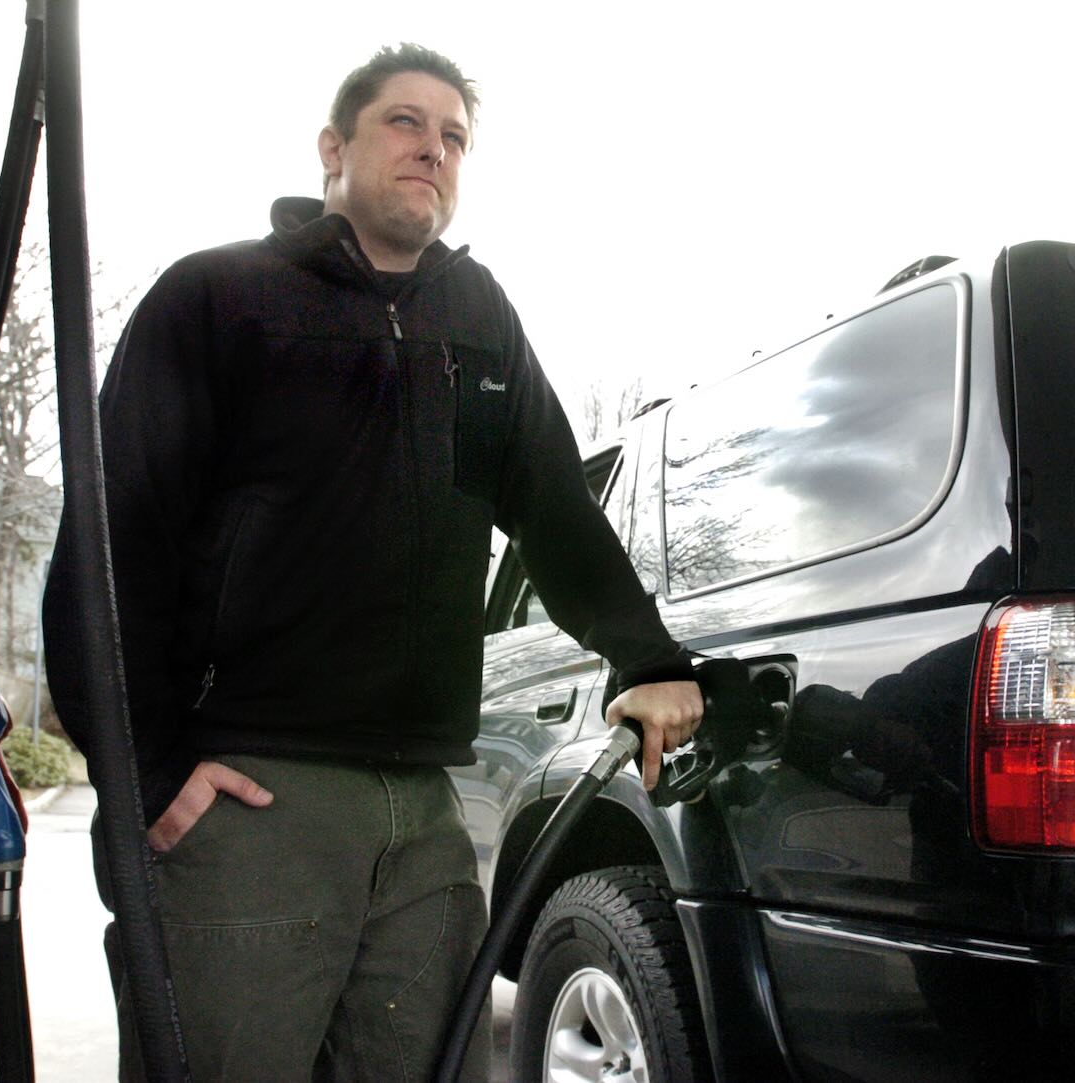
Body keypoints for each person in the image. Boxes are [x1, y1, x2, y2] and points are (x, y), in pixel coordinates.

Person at [42, 43, 702, 1082]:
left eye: (453, 139)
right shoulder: (220, 298)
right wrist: (148, 765)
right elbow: (115, 543)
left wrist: (648, 656)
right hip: (252, 797)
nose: (431, 150)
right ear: (332, 147)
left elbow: (554, 510)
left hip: (428, 809)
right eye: (405, 123)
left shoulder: (476, 319)